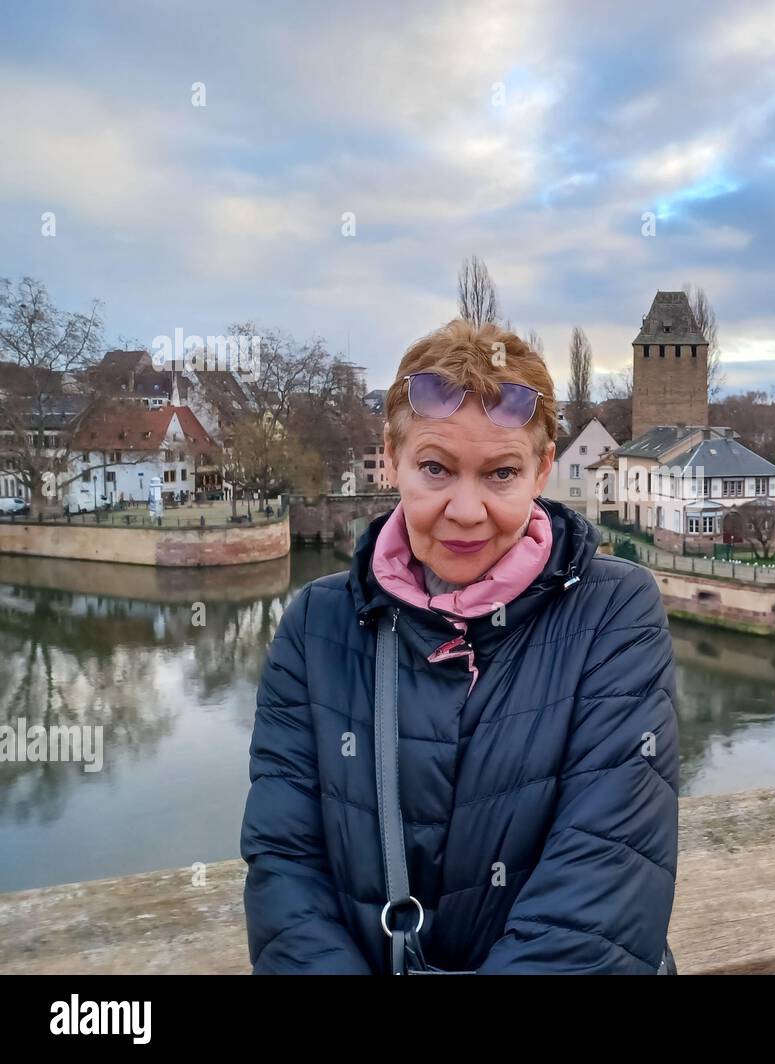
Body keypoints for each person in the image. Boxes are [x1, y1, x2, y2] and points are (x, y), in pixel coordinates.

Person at [240, 319, 680, 973]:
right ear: (390, 460)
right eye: (436, 469)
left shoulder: (615, 614)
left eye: (500, 473)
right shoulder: (316, 624)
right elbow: (286, 872)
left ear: (542, 470)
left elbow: (601, 889)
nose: (466, 510)